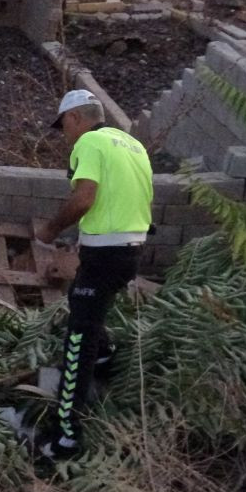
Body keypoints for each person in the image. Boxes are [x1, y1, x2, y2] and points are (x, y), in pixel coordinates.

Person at [34, 90, 154, 459]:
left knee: (77, 342)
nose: (64, 135)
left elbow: (84, 197)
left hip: (106, 253)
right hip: (130, 250)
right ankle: (105, 356)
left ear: (75, 118)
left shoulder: (88, 142)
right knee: (83, 300)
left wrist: (51, 230)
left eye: (64, 126)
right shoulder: (131, 145)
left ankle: (66, 436)